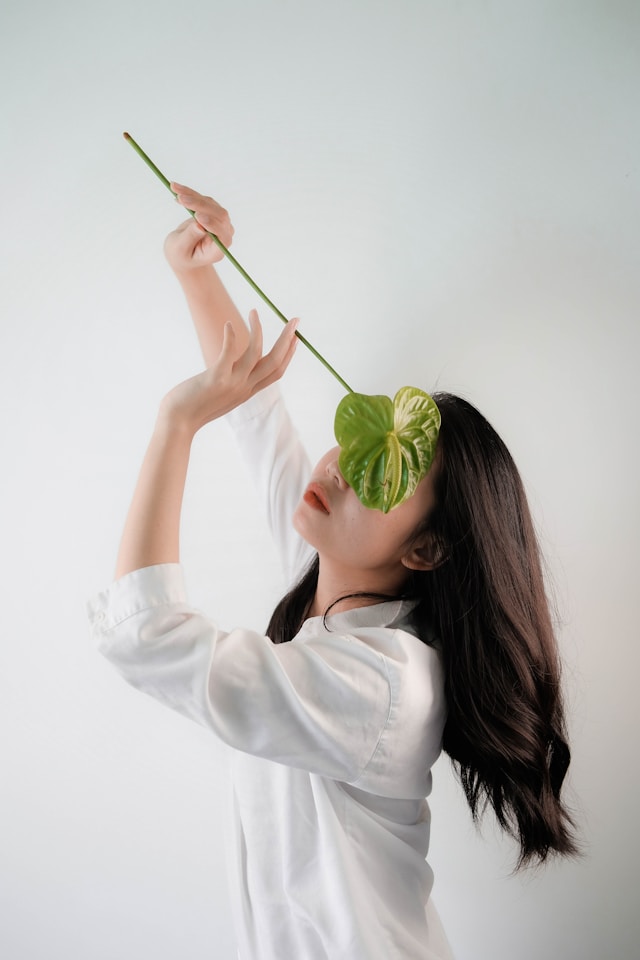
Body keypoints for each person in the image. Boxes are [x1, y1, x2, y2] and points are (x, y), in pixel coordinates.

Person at [88, 185, 578, 960]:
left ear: (426, 550)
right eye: (358, 439)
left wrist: (175, 423)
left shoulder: (385, 686)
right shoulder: (336, 584)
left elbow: (149, 638)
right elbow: (255, 416)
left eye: (383, 473)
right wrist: (198, 270)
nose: (337, 468)